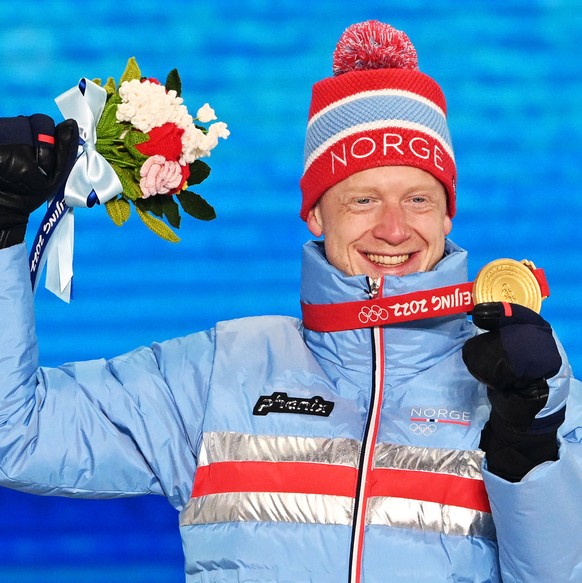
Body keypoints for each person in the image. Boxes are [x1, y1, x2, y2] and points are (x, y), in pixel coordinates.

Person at [0, 19, 580, 583]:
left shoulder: (532, 392)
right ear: (315, 213)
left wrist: (532, 452)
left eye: (419, 199)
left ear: (449, 211)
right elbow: (18, 436)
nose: (395, 229)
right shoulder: (216, 374)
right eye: (362, 201)